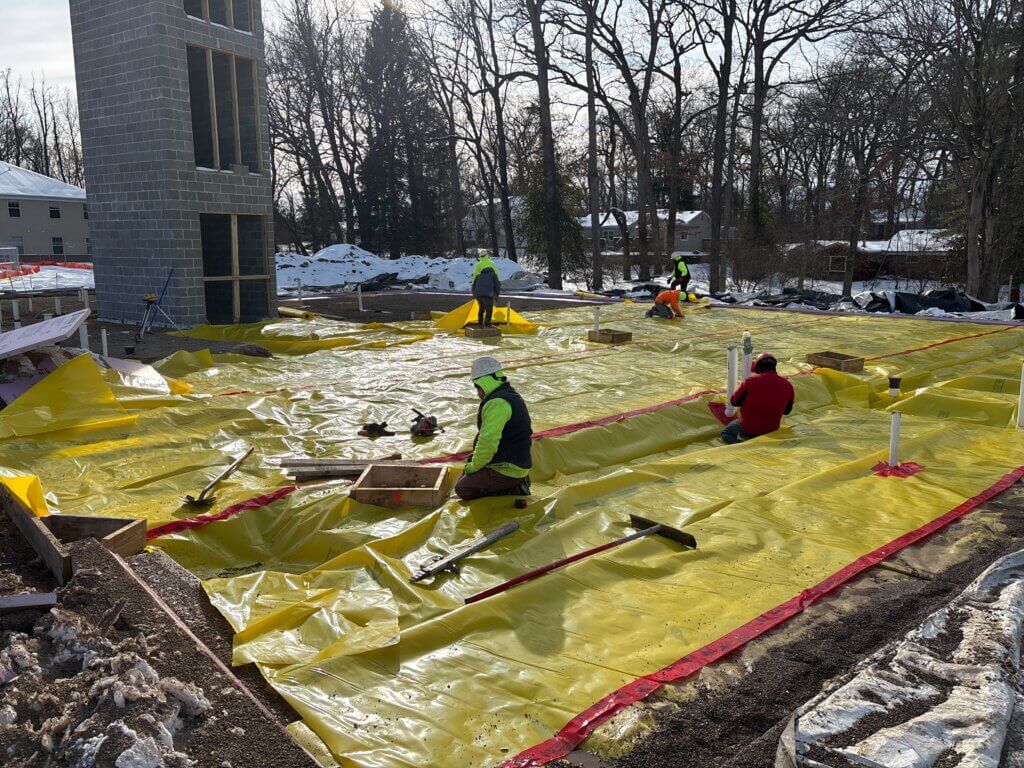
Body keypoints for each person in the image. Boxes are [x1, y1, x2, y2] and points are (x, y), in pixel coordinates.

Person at [455, 357, 533, 501]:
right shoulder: (508, 394)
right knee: (467, 473)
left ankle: (511, 487)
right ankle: (511, 483)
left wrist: (474, 466)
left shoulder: (497, 403)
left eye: (477, 387)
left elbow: (488, 442)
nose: (478, 393)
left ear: (485, 382)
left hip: (508, 468)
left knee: (462, 488)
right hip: (515, 462)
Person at [721, 353, 795, 444]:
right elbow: (787, 411)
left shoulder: (750, 381)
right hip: (771, 429)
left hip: (748, 427)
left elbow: (734, 402)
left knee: (727, 433)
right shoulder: (788, 385)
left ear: (757, 366)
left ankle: (742, 446)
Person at [472, 251, 501, 326]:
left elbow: (474, 280)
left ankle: (480, 324)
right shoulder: (492, 265)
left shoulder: (478, 268)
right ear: (487, 255)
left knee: (481, 309)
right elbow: (497, 283)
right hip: (488, 293)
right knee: (489, 310)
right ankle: (487, 324)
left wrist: (474, 293)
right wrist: (497, 294)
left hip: (478, 293)